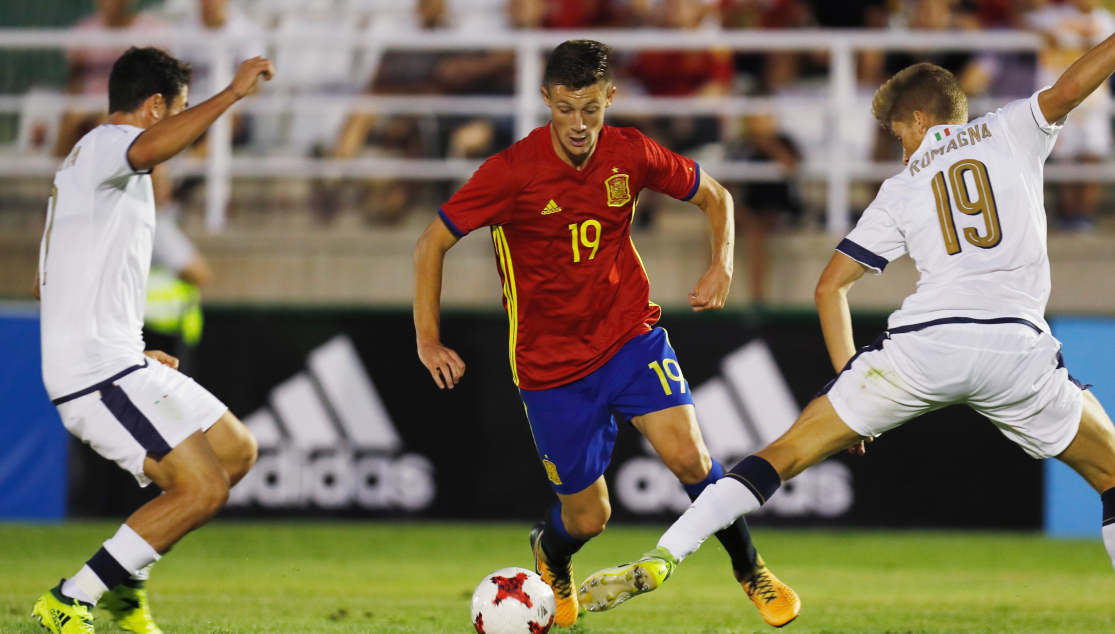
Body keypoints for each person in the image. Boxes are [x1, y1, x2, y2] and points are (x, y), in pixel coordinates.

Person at [581, 43, 1115, 611]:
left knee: (781, 455)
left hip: (925, 345)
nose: (901, 149)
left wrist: (851, 379)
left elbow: (830, 287)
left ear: (918, 119)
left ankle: (665, 554)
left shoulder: (903, 186)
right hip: (1016, 348)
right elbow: (1070, 88)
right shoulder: (1011, 128)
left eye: (898, 135)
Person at [413, 40, 799, 629]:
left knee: (690, 456)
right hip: (550, 365)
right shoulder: (511, 172)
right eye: (566, 108)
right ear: (546, 99)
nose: (578, 123)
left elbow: (716, 197)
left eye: (590, 108)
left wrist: (720, 265)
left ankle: (752, 571)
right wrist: (428, 338)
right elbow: (431, 242)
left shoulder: (630, 153)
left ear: (609, 98)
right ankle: (552, 554)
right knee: (590, 516)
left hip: (628, 337)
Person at [30, 47, 273, 634]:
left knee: (235, 453)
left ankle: (125, 578)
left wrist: (128, 348)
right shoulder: (108, 145)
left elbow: (56, 285)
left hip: (118, 360)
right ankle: (72, 598)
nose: (181, 126)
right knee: (202, 489)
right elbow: (148, 146)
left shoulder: (95, 171)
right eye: (180, 111)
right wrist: (232, 94)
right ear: (156, 105)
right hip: (96, 373)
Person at [1028, 0, 1115, 231]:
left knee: (1091, 157)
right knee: (1067, 159)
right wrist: (1042, 33)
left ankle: (1084, 216)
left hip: (1095, 100)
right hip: (1061, 99)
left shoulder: (1105, 19)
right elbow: (1022, 21)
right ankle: (1069, 216)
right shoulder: (1054, 17)